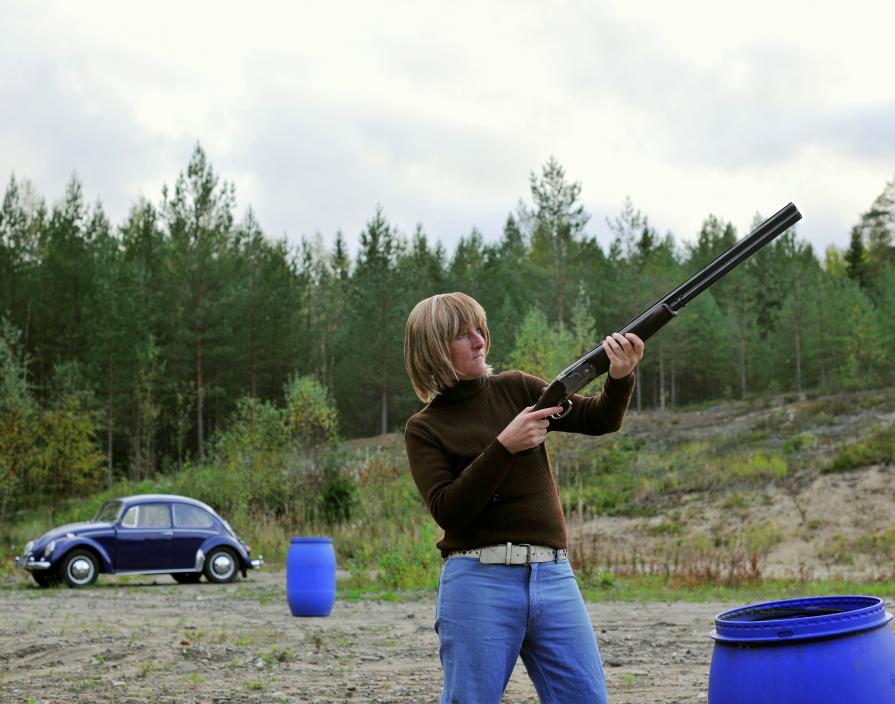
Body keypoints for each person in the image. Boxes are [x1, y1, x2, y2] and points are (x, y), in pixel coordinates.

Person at [403, 291, 644, 704]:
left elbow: (600, 418)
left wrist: (621, 375)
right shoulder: (424, 428)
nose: (479, 340)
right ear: (434, 350)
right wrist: (504, 446)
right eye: (463, 335)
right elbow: (449, 511)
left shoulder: (518, 389)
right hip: (478, 581)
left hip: (554, 576)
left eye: (480, 329)